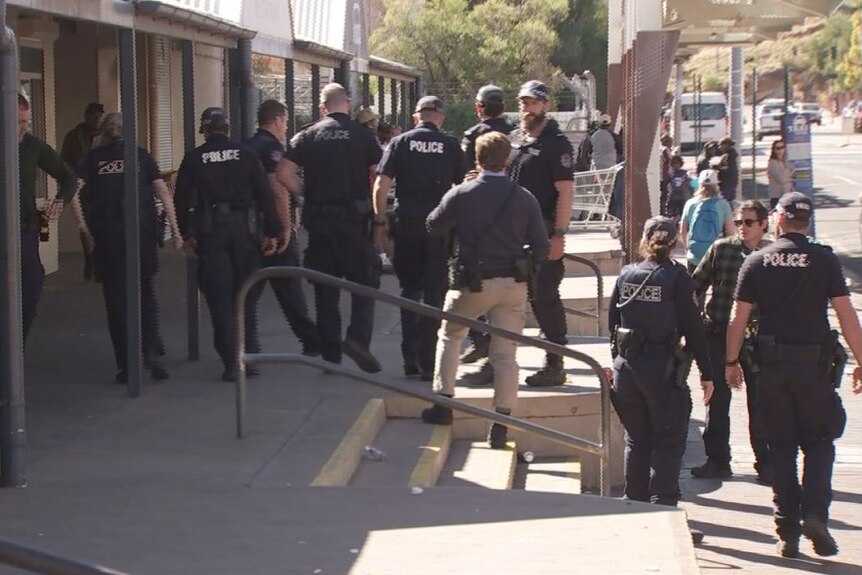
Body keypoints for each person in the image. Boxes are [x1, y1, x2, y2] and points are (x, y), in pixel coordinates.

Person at [726, 192, 862, 558]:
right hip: (815, 371)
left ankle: (787, 530)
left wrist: (730, 362)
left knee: (782, 447)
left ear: (778, 219)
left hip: (771, 370)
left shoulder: (756, 261)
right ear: (807, 221)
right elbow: (847, 316)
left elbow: (737, 319)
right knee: (819, 443)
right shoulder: (824, 260)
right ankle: (816, 514)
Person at [421, 132, 549, 447]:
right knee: (506, 355)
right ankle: (501, 424)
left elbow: (432, 225)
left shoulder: (462, 193)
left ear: (477, 159)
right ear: (507, 160)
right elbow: (543, 247)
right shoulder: (524, 197)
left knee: (451, 337)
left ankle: (444, 403)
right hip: (512, 284)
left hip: (471, 281)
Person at [608, 217, 713, 513]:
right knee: (667, 442)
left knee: (637, 441)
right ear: (674, 242)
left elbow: (612, 325)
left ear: (644, 240)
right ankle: (664, 511)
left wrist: (618, 361)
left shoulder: (627, 274)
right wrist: (706, 373)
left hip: (626, 368)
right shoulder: (677, 278)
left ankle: (634, 507)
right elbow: (694, 328)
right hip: (660, 369)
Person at [277, 83, 383, 373]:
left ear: (322, 107)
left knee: (325, 289)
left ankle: (330, 355)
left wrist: (306, 192)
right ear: (347, 103)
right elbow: (378, 175)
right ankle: (358, 340)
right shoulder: (364, 136)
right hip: (355, 222)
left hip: (321, 222)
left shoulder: (307, 136)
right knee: (366, 283)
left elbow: (283, 173)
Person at [174, 107, 282, 381]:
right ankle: (248, 355)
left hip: (212, 235)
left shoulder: (194, 158)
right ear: (227, 127)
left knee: (219, 298)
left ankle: (232, 362)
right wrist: (273, 230)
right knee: (245, 294)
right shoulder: (245, 154)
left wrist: (185, 234)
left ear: (205, 130)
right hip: (244, 233)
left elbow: (181, 200)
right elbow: (264, 194)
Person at [71, 112, 181, 383]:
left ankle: (126, 363)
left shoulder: (94, 159)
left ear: (104, 133)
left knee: (116, 298)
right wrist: (176, 231)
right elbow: (164, 193)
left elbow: (72, 191)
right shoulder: (140, 155)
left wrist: (83, 226)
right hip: (140, 232)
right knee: (144, 291)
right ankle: (151, 351)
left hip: (108, 236)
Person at [373, 95, 468, 379]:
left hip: (407, 225)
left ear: (416, 117)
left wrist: (379, 221)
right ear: (440, 118)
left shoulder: (400, 143)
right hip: (439, 227)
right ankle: (429, 361)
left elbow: (381, 184)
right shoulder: (451, 145)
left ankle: (409, 358)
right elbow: (464, 188)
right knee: (435, 292)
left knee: (410, 289)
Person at [690, 201, 772, 482]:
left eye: (748, 222)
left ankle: (766, 462)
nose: (742, 228)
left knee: (761, 402)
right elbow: (695, 285)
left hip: (759, 339)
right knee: (717, 400)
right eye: (739, 222)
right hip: (719, 333)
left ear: (763, 224)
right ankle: (717, 460)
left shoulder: (771, 254)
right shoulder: (722, 248)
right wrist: (690, 322)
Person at [507, 80, 575, 387]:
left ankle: (554, 363)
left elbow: (565, 192)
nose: (526, 107)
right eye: (523, 102)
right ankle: (492, 359)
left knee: (545, 297)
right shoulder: (514, 139)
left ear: (546, 105)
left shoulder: (556, 143)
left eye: (533, 102)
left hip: (542, 232)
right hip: (510, 234)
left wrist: (559, 234)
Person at [245, 99, 320, 360]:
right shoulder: (271, 149)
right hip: (272, 230)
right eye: (286, 120)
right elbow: (277, 187)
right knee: (290, 289)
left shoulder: (247, 147)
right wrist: (285, 228)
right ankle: (312, 342)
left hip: (248, 230)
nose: (287, 126)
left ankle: (248, 350)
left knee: (248, 293)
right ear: (277, 120)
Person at [458, 84, 514, 378]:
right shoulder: (517, 135)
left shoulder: (472, 136)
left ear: (479, 107)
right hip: (513, 219)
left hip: (479, 223)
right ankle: (493, 352)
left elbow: (465, 178)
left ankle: (481, 340)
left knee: (476, 284)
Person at [17, 93, 77, 344]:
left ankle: (16, 350)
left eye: (26, 122)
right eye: (18, 122)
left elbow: (69, 176)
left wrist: (60, 199)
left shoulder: (32, 146)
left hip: (23, 230)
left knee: (30, 288)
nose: (23, 127)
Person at [61, 101, 103, 281]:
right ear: (86, 115)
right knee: (85, 225)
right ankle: (90, 260)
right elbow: (64, 161)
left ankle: (101, 263)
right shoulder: (74, 136)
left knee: (102, 224)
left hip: (102, 188)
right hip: (82, 187)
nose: (96, 118)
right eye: (93, 115)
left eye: (99, 115)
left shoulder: (106, 137)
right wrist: (71, 180)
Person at [679, 169, 735, 273]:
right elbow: (730, 232)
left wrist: (688, 249)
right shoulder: (723, 204)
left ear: (699, 184)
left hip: (694, 253)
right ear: (716, 185)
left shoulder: (690, 203)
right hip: (716, 252)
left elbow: (683, 230)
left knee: (694, 287)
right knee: (717, 287)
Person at [767, 140, 794, 209]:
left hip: (787, 194)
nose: (781, 150)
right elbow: (782, 179)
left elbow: (794, 173)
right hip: (777, 196)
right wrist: (790, 177)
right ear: (774, 150)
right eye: (778, 148)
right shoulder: (773, 163)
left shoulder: (785, 161)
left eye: (782, 147)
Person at [664, 155, 691, 220]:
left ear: (680, 163)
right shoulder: (670, 174)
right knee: (672, 214)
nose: (676, 165)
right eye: (674, 163)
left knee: (684, 214)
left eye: (677, 163)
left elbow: (689, 184)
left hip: (683, 197)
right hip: (673, 197)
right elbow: (665, 184)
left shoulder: (685, 173)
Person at [716, 137, 739, 204]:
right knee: (729, 201)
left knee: (725, 201)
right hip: (730, 182)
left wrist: (718, 168)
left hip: (727, 183)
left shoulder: (729, 156)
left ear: (726, 145)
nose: (719, 147)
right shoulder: (729, 155)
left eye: (721, 145)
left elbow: (730, 169)